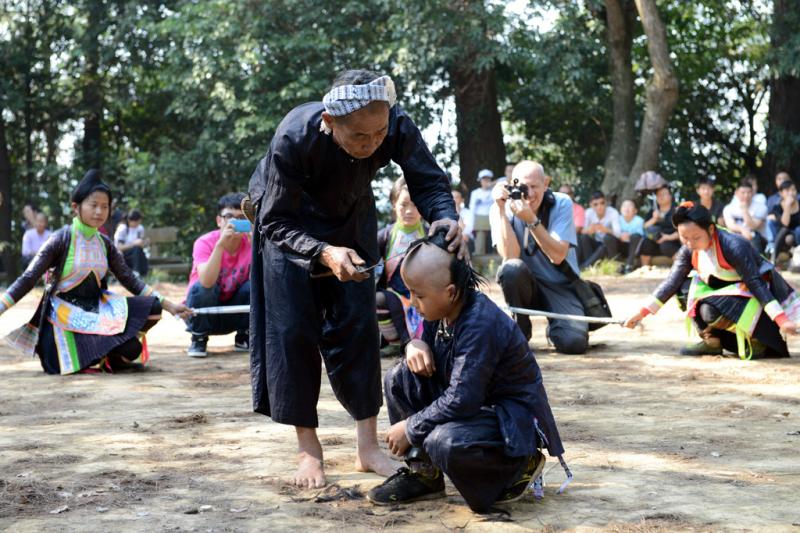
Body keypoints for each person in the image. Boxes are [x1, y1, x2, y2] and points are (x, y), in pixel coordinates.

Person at [247, 69, 464, 488]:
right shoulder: (294, 136)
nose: (372, 144)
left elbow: (428, 180)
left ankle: (367, 447)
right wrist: (323, 252)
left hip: (351, 215)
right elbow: (274, 219)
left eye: (379, 133)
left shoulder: (394, 123)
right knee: (293, 331)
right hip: (287, 226)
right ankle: (309, 450)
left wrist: (446, 217)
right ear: (330, 123)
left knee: (359, 326)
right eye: (360, 137)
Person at [367, 230, 565, 512]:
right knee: (399, 378)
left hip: (509, 419)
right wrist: (414, 343)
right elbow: (425, 344)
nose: (412, 302)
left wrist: (411, 428)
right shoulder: (443, 309)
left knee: (442, 441)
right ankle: (424, 475)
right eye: (410, 292)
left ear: (450, 292)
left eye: (418, 295)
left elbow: (463, 398)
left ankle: (518, 464)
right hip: (475, 407)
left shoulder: (480, 324)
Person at [0, 169, 191, 375]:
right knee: (58, 364)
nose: (99, 212)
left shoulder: (105, 244)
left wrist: (170, 306)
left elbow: (129, 279)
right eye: (93, 205)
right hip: (63, 318)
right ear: (76, 207)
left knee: (149, 314)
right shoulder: (60, 239)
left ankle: (106, 355)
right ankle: (94, 354)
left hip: (98, 312)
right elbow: (28, 278)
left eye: (105, 206)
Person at [624, 202, 799, 358]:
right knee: (682, 289)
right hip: (723, 290)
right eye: (684, 238)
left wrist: (782, 320)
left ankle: (755, 339)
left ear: (711, 229)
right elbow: (671, 282)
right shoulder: (688, 250)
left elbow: (756, 283)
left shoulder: (735, 245)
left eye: (696, 238)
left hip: (753, 298)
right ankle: (711, 340)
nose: (690, 243)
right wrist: (641, 313)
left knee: (708, 310)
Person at [490, 160, 589, 354]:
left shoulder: (561, 203)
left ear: (546, 184)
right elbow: (510, 256)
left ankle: (556, 329)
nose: (530, 193)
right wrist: (501, 211)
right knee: (511, 270)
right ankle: (520, 328)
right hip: (525, 285)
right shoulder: (500, 207)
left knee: (574, 343)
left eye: (535, 186)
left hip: (560, 285)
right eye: (524, 187)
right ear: (513, 184)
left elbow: (558, 255)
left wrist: (531, 220)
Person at [184, 193, 252, 358]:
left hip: (232, 313)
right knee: (203, 288)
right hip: (203, 311)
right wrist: (220, 245)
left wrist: (256, 244)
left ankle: (244, 333)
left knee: (256, 284)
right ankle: (199, 336)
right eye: (229, 217)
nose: (234, 222)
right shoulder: (205, 242)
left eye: (240, 217)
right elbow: (207, 282)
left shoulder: (251, 243)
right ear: (219, 221)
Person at [376, 177, 427, 352]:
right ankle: (399, 342)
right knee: (380, 299)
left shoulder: (431, 235)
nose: (409, 211)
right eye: (403, 204)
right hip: (394, 300)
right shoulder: (385, 236)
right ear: (393, 205)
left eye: (414, 205)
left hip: (425, 298)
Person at [579, 191, 621, 269]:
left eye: (602, 203)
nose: (599, 206)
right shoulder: (588, 212)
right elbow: (582, 231)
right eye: (596, 204)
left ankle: (585, 267)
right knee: (584, 237)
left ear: (606, 203)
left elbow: (618, 234)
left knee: (607, 239)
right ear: (591, 205)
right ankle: (590, 265)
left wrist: (606, 230)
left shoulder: (613, 212)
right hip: (597, 245)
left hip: (611, 246)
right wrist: (589, 229)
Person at [640, 185, 680, 266]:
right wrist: (654, 219)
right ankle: (644, 268)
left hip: (672, 241)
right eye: (658, 195)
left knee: (665, 245)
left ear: (670, 196)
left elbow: (682, 231)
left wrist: (667, 237)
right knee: (645, 243)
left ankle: (680, 267)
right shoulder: (653, 211)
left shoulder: (677, 210)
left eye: (664, 194)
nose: (661, 197)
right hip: (655, 241)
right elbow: (644, 227)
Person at [722, 181, 767, 252]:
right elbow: (730, 225)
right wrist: (742, 230)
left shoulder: (761, 207)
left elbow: (753, 226)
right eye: (743, 192)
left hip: (757, 237)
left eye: (749, 192)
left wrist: (744, 210)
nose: (746, 195)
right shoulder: (729, 208)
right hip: (737, 235)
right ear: (736, 193)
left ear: (753, 193)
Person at [767, 180, 800, 263]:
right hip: (783, 235)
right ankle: (774, 257)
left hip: (798, 233)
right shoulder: (777, 208)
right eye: (787, 190)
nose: (791, 193)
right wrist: (787, 206)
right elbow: (785, 224)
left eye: (793, 190)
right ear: (781, 193)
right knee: (785, 230)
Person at [114, 209, 149, 277]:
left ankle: (141, 273)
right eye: (136, 222)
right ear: (130, 220)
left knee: (139, 250)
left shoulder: (140, 228)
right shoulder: (123, 228)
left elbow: (140, 245)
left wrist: (144, 243)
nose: (138, 224)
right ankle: (136, 272)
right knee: (136, 249)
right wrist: (133, 244)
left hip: (136, 254)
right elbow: (119, 247)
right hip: (123, 254)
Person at [618, 199, 645, 273]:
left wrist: (629, 235)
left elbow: (640, 236)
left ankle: (629, 265)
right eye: (624, 206)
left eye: (629, 206)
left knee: (636, 236)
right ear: (620, 209)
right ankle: (618, 264)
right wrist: (620, 235)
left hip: (633, 248)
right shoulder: (617, 219)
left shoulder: (639, 220)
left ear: (635, 210)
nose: (627, 208)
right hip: (620, 246)